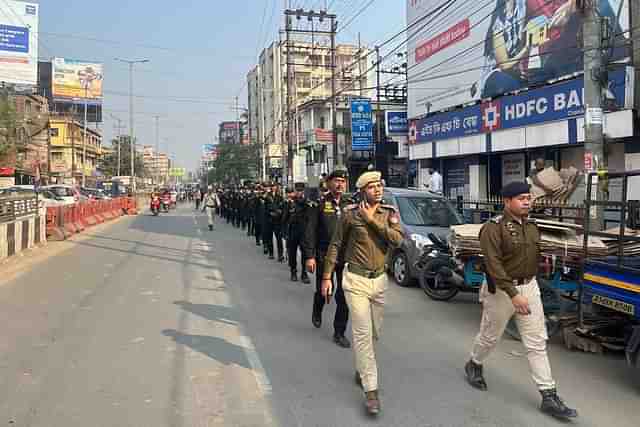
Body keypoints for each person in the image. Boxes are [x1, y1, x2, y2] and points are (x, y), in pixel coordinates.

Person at [464, 181, 578, 421]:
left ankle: (549, 395)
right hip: (502, 292)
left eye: (529, 197)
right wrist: (514, 295)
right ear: (507, 202)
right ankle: (474, 363)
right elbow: (493, 265)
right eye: (521, 198)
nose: (527, 201)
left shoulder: (532, 227)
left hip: (529, 287)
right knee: (490, 337)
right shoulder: (493, 228)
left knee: (536, 342)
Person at [321, 170, 403, 415]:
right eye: (371, 186)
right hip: (355, 280)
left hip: (379, 281)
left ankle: (362, 366)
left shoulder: (388, 214)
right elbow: (336, 245)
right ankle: (371, 390)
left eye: (379, 185)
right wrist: (326, 277)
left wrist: (371, 221)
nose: (377, 189)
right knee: (363, 334)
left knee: (374, 332)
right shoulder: (349, 215)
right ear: (362, 191)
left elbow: (397, 240)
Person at [304, 167, 352, 349]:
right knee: (323, 291)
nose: (340, 184)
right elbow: (310, 231)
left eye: (343, 181)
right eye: (336, 181)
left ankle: (339, 332)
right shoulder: (320, 203)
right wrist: (310, 256)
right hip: (325, 255)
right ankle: (318, 308)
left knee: (344, 295)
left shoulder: (351, 203)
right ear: (329, 183)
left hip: (345, 256)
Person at [283, 183, 311, 283]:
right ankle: (293, 272)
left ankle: (304, 273)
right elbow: (285, 218)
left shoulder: (307, 202)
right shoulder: (290, 202)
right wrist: (285, 233)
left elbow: (310, 219)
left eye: (301, 191)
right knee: (292, 253)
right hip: (292, 232)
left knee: (305, 254)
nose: (299, 192)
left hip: (303, 232)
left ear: (303, 191)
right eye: (297, 191)